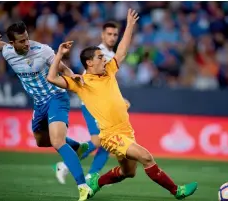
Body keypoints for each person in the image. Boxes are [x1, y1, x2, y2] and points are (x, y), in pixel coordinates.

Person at [47, 9, 197, 200]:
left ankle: (96, 183)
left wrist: (130, 26)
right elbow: (51, 77)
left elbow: (122, 51)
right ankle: (177, 191)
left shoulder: (108, 70)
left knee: (128, 172)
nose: (104, 59)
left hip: (126, 130)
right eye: (100, 57)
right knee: (146, 157)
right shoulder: (81, 82)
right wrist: (59, 54)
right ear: (89, 63)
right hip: (111, 135)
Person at [0, 21, 92, 201]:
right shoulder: (8, 52)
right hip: (38, 103)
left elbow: (62, 68)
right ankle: (78, 146)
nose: (26, 43)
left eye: (27, 38)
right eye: (21, 41)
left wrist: (74, 78)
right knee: (41, 141)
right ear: (12, 43)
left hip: (56, 97)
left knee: (57, 141)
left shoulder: (43, 50)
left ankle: (83, 186)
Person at [55, 21, 131, 184]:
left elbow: (108, 85)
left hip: (102, 104)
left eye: (115, 35)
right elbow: (89, 82)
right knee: (99, 140)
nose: (112, 37)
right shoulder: (97, 54)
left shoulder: (105, 54)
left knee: (105, 143)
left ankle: (91, 176)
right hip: (92, 105)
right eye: (109, 34)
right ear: (102, 35)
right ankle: (67, 164)